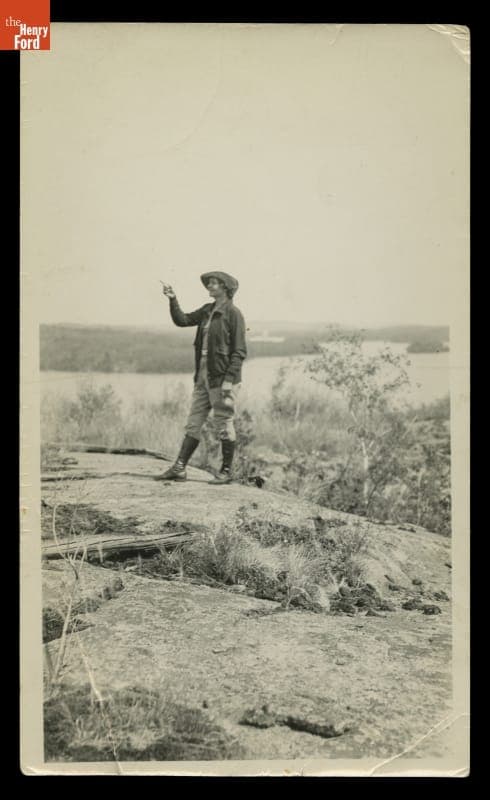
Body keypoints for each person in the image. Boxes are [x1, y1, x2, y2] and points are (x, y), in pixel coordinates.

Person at [156, 271, 247, 484]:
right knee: (193, 422)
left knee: (224, 421)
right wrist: (172, 299)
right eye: (209, 283)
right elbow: (183, 320)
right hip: (203, 374)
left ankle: (225, 471)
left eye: (214, 283)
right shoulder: (207, 311)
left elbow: (239, 351)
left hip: (222, 377)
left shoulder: (234, 314)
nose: (210, 287)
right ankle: (179, 468)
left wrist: (228, 380)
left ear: (225, 288)